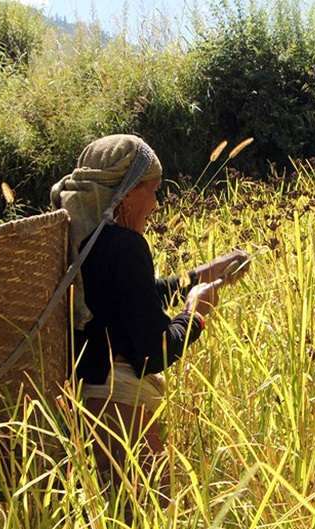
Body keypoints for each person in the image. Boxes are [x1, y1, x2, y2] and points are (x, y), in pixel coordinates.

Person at [50, 134, 248, 502]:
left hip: (83, 400)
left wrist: (201, 275)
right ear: (125, 192)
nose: (156, 204)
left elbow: (132, 297)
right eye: (153, 191)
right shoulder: (125, 247)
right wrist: (196, 313)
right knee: (154, 509)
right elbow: (155, 353)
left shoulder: (73, 240)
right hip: (122, 406)